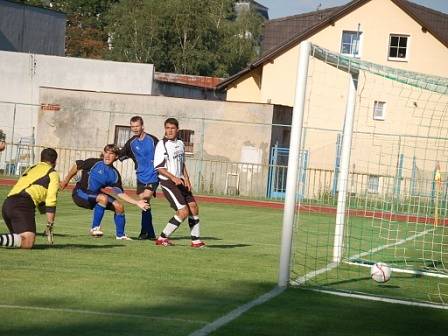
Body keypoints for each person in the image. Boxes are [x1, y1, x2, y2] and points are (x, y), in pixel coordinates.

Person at [60, 144, 149, 240]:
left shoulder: (114, 174)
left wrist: (136, 202)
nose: (107, 155)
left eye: (111, 154)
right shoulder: (94, 162)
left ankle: (120, 235)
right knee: (103, 198)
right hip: (80, 194)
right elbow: (77, 165)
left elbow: (120, 193)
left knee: (119, 206)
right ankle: (95, 228)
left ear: (116, 157)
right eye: (106, 152)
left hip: (96, 197)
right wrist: (66, 181)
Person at [153, 118, 205, 248]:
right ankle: (162, 238)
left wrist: (186, 178)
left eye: (172, 128)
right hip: (168, 182)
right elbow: (159, 168)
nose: (169, 131)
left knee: (194, 207)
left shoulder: (181, 143)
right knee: (183, 212)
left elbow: (182, 163)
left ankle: (196, 241)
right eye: (167, 128)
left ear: (177, 129)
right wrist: (173, 178)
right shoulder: (161, 144)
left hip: (180, 181)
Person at [1, 148, 59, 249]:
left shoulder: (31, 168)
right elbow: (51, 200)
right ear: (55, 161)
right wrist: (50, 224)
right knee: (27, 241)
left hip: (7, 204)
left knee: (19, 239)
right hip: (22, 204)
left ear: (41, 159)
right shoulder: (52, 173)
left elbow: (39, 196)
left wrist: (43, 212)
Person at [119, 116, 159, 240]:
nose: (135, 129)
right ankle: (149, 233)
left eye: (137, 126)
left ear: (142, 126)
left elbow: (163, 154)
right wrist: (107, 156)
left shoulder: (153, 140)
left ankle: (144, 232)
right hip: (140, 177)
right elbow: (121, 155)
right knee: (144, 204)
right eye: (132, 127)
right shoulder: (131, 143)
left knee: (145, 198)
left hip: (153, 175)